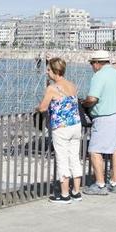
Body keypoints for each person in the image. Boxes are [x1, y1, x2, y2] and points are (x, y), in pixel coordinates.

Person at [80, 50, 116, 195]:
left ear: (96, 63)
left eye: (91, 63)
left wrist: (84, 103)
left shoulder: (99, 76)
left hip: (105, 117)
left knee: (94, 150)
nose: (91, 66)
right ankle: (115, 183)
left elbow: (93, 98)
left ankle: (100, 185)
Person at [36, 57, 83, 204]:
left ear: (55, 71)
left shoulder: (52, 88)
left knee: (62, 159)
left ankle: (64, 195)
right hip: (75, 125)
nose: (47, 72)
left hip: (61, 127)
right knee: (74, 158)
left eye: (48, 69)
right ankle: (76, 191)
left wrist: (36, 108)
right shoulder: (72, 85)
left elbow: (43, 107)